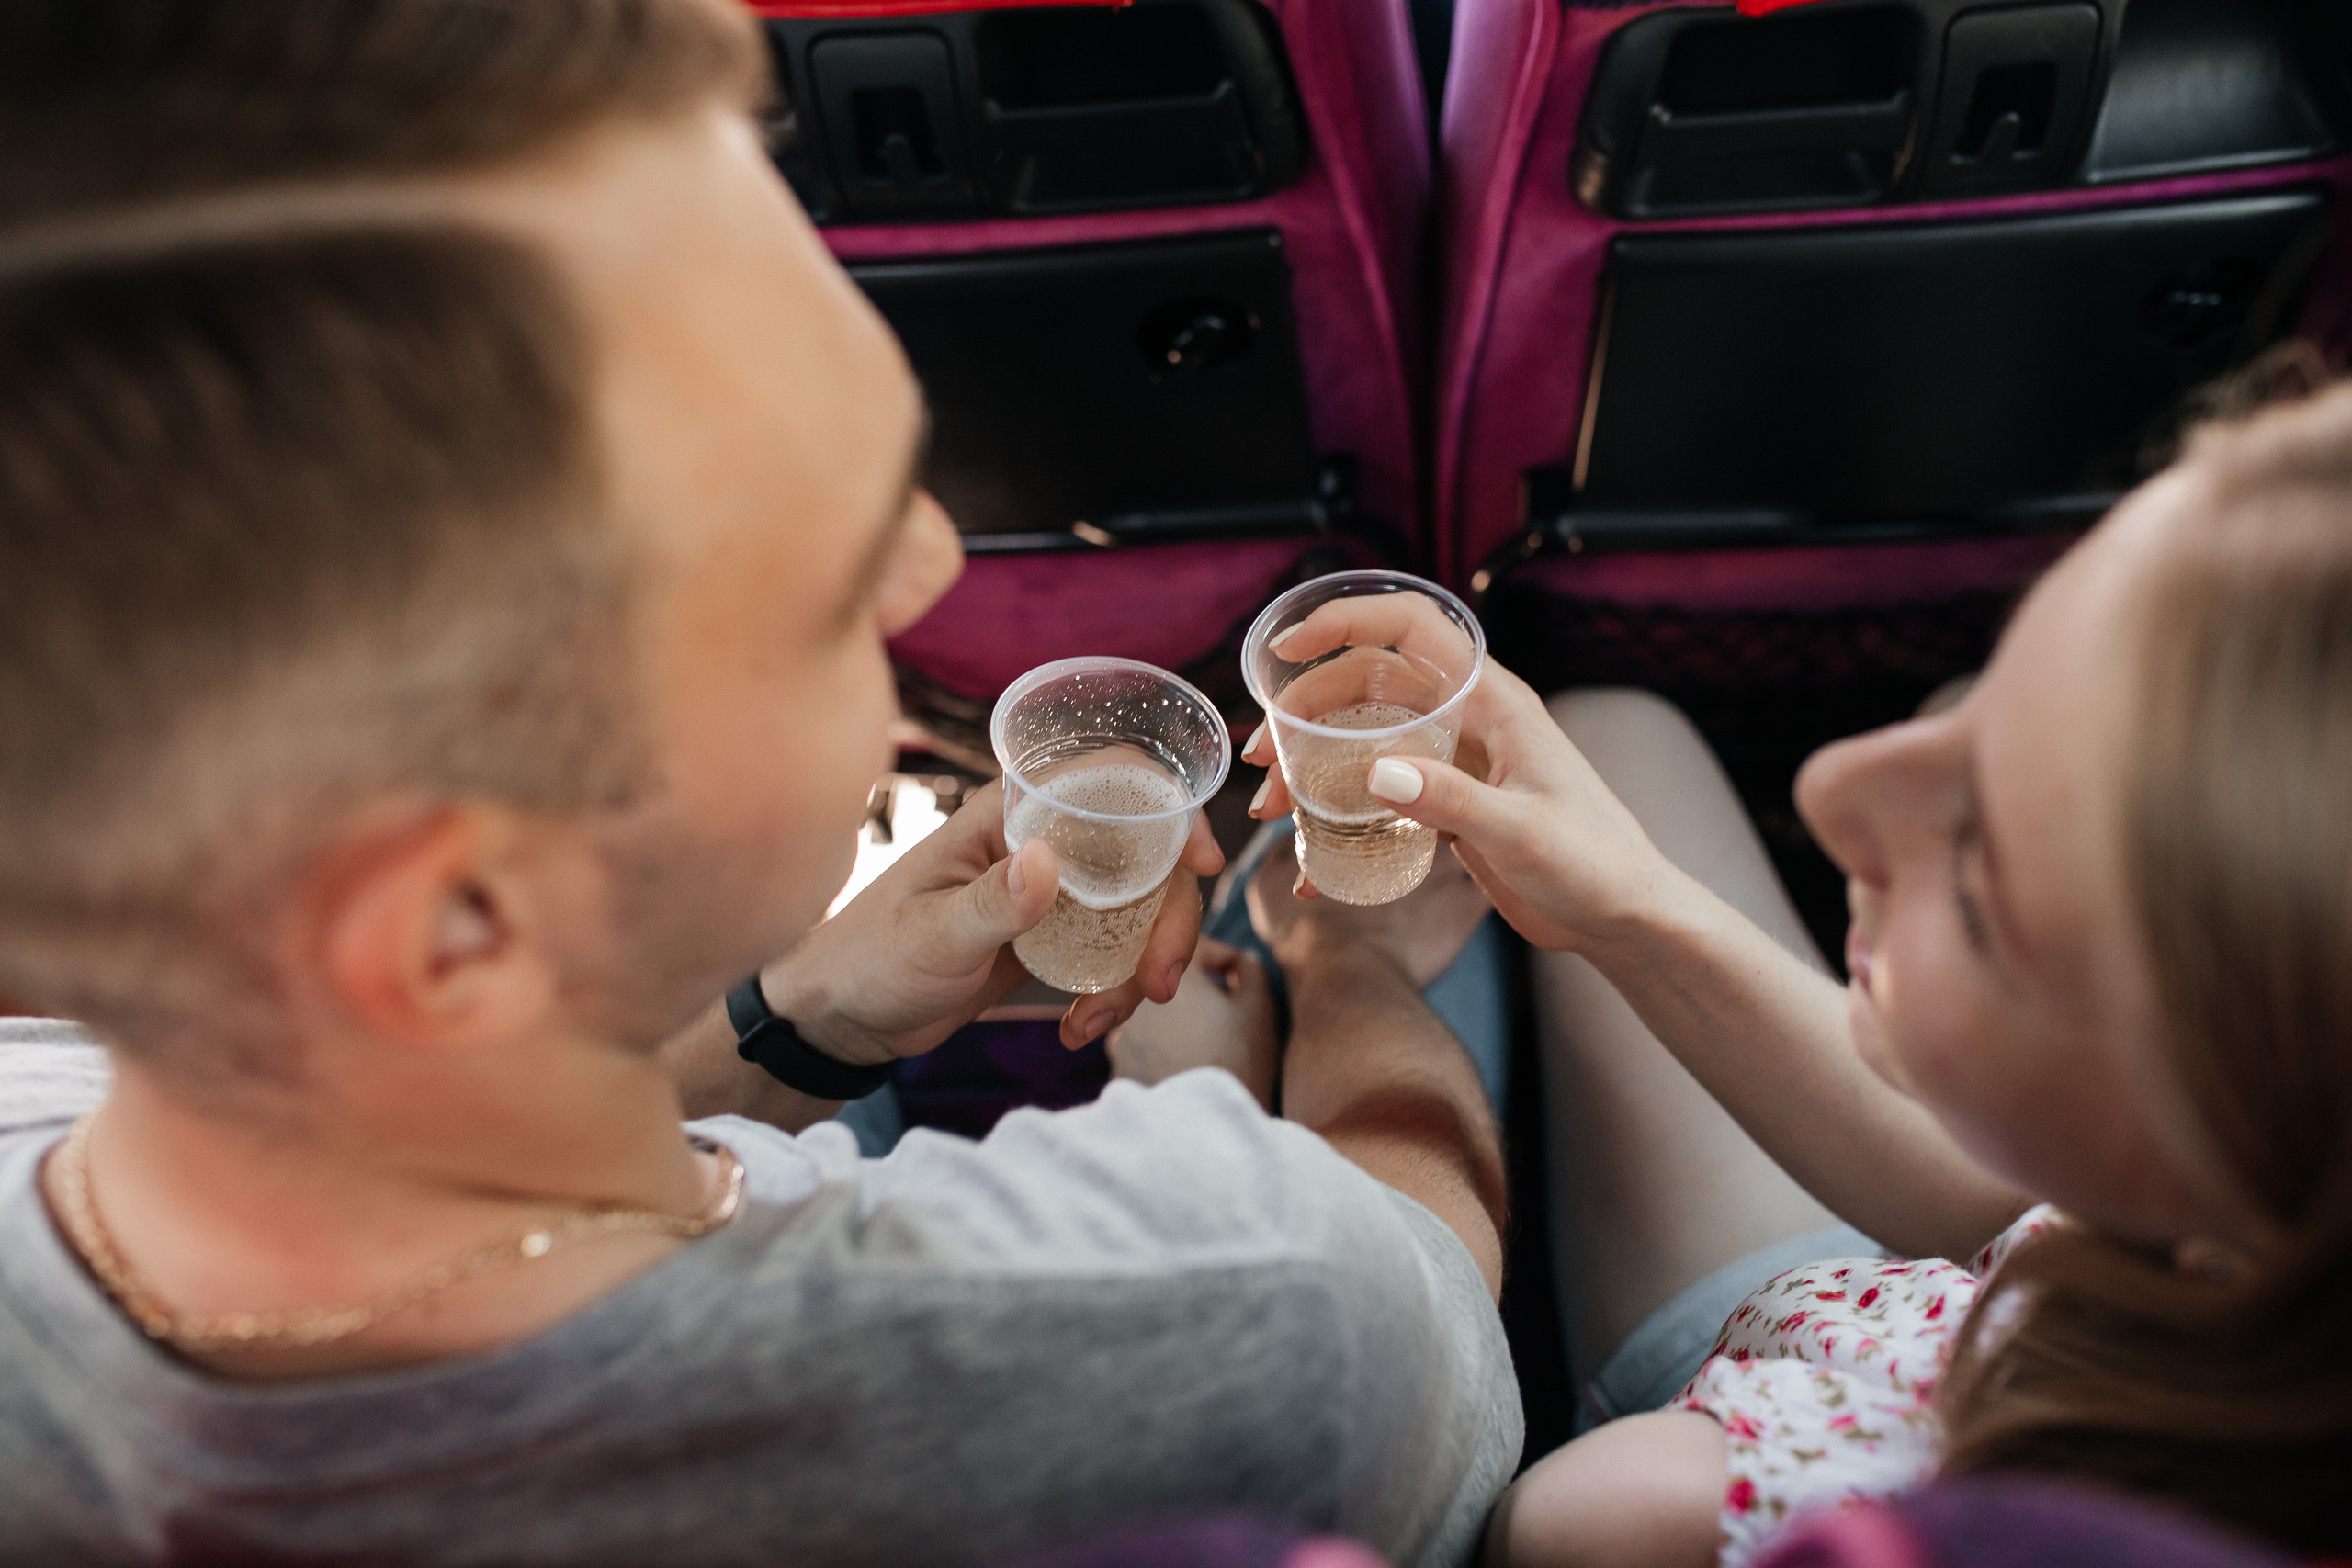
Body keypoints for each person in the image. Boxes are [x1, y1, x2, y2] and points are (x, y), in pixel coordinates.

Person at [0, 2, 1521, 1561]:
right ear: (458, 921)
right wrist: (1343, 972)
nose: (931, 563)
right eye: (826, 594)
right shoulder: (1226, 1294)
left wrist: (803, 1020)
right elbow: (1430, 1306)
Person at [1231, 376, 2352, 1565]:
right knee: (1614, 727)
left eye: (1979, 894)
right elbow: (2022, 1218)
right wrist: (1629, 910)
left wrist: (1336, 977)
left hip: (1793, 1392)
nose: (1827, 791)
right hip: (1936, 1302)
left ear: (2211, 1212)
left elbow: (1492, 1484)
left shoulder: (1688, 1513)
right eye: (1992, 694)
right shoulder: (2222, 1230)